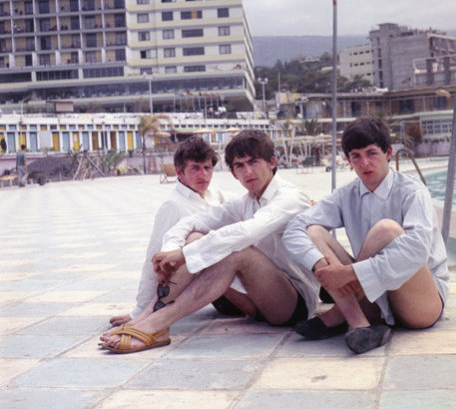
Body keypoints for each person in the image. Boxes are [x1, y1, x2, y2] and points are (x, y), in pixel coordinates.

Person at [100, 130, 319, 353]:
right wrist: (170, 252)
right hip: (254, 303)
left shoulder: (290, 197)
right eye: (239, 166)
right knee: (196, 237)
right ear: (233, 173)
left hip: (292, 303)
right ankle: (148, 316)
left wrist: (183, 255)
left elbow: (248, 231)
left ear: (271, 162)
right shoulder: (246, 201)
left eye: (253, 162)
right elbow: (192, 222)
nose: (248, 171)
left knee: (237, 250)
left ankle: (157, 324)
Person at [283, 117, 449, 354]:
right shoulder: (346, 195)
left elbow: (417, 250)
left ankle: (340, 312)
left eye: (372, 153)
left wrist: (348, 274)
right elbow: (294, 228)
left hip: (421, 304)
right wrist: (322, 266)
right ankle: (357, 322)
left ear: (388, 153)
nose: (365, 163)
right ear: (349, 161)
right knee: (313, 231)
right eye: (356, 156)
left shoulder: (413, 192)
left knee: (386, 230)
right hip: (374, 301)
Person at [107, 135, 230, 329]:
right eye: (195, 168)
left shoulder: (217, 195)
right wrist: (139, 311)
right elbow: (154, 258)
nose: (203, 175)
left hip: (230, 278)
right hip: (218, 290)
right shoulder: (173, 206)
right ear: (180, 173)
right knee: (195, 239)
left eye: (207, 168)